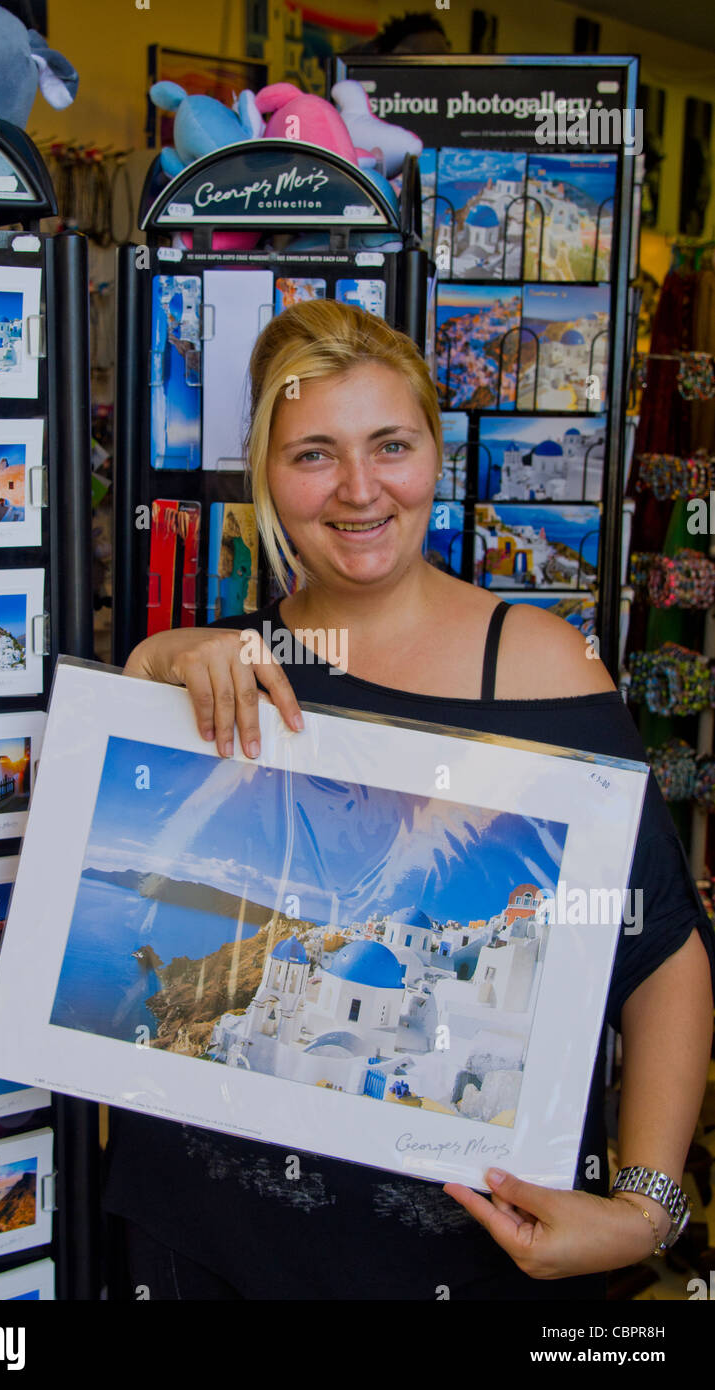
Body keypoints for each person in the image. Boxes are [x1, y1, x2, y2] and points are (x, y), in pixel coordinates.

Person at [103, 299, 715, 1300]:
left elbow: (660, 952)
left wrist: (643, 1212)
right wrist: (155, 662)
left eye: (389, 444)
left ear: (435, 452)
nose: (357, 489)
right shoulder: (225, 666)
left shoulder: (536, 668)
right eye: (313, 453)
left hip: (458, 1259)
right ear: (264, 472)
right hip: (203, 1243)